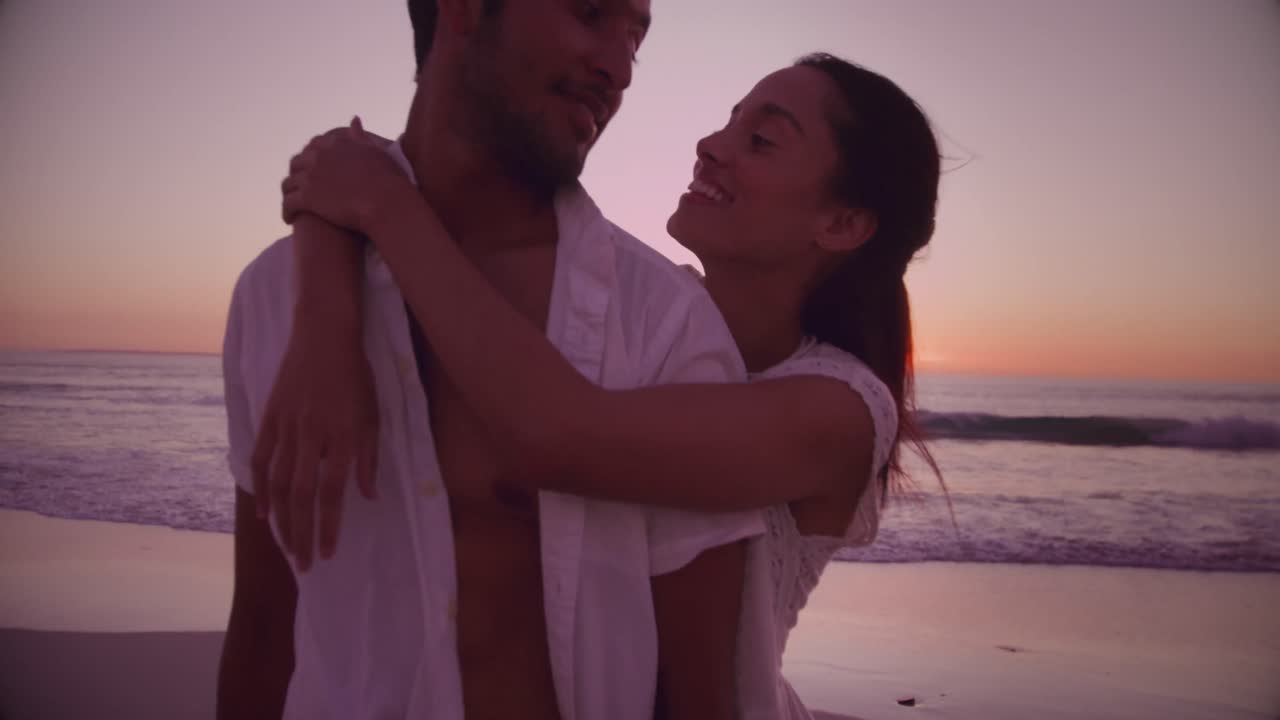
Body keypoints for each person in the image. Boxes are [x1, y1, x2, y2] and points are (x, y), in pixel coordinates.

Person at [263, 41, 943, 720]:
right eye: (728, 122)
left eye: (760, 140)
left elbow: (553, 435)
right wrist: (327, 301)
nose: (710, 146)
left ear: (842, 223)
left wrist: (385, 204)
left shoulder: (841, 410)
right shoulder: (648, 316)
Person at [217, 1, 768, 719]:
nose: (620, 68)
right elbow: (264, 628)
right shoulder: (274, 297)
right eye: (591, 12)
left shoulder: (663, 324)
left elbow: (700, 694)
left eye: (635, 37)